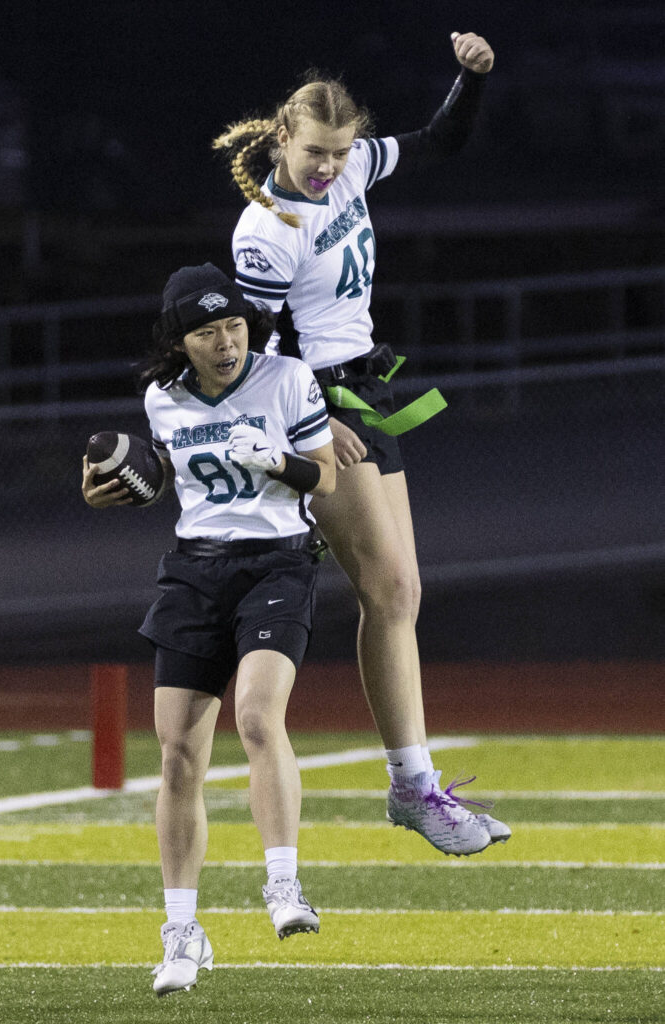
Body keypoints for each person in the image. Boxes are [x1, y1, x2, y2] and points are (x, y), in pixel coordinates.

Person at [212, 32, 511, 856]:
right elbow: (251, 350)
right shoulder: (265, 229)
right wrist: (310, 421)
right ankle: (411, 787)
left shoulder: (356, 167)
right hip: (315, 404)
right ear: (281, 138)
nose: (331, 168)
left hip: (364, 392)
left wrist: (469, 77)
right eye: (316, 153)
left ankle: (414, 784)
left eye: (341, 153)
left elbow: (439, 140)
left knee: (403, 594)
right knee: (385, 589)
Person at [82, 263, 335, 996]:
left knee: (258, 716)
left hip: (277, 567)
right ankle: (182, 931)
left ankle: (283, 884)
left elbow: (328, 476)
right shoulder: (161, 398)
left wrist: (278, 462)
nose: (225, 341)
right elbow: (168, 479)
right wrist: (114, 490)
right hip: (195, 571)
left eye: (232, 325)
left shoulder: (285, 378)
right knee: (175, 759)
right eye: (206, 331)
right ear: (180, 340)